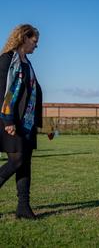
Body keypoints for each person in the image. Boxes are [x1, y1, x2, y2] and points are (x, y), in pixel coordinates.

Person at [0, 24, 43, 219]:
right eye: (34, 41)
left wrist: (38, 121)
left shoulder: (28, 63)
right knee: (16, 160)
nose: (36, 46)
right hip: (9, 120)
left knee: (25, 163)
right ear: (24, 38)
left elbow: (32, 92)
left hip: (26, 122)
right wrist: (8, 120)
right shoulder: (7, 60)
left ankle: (23, 207)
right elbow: (2, 93)